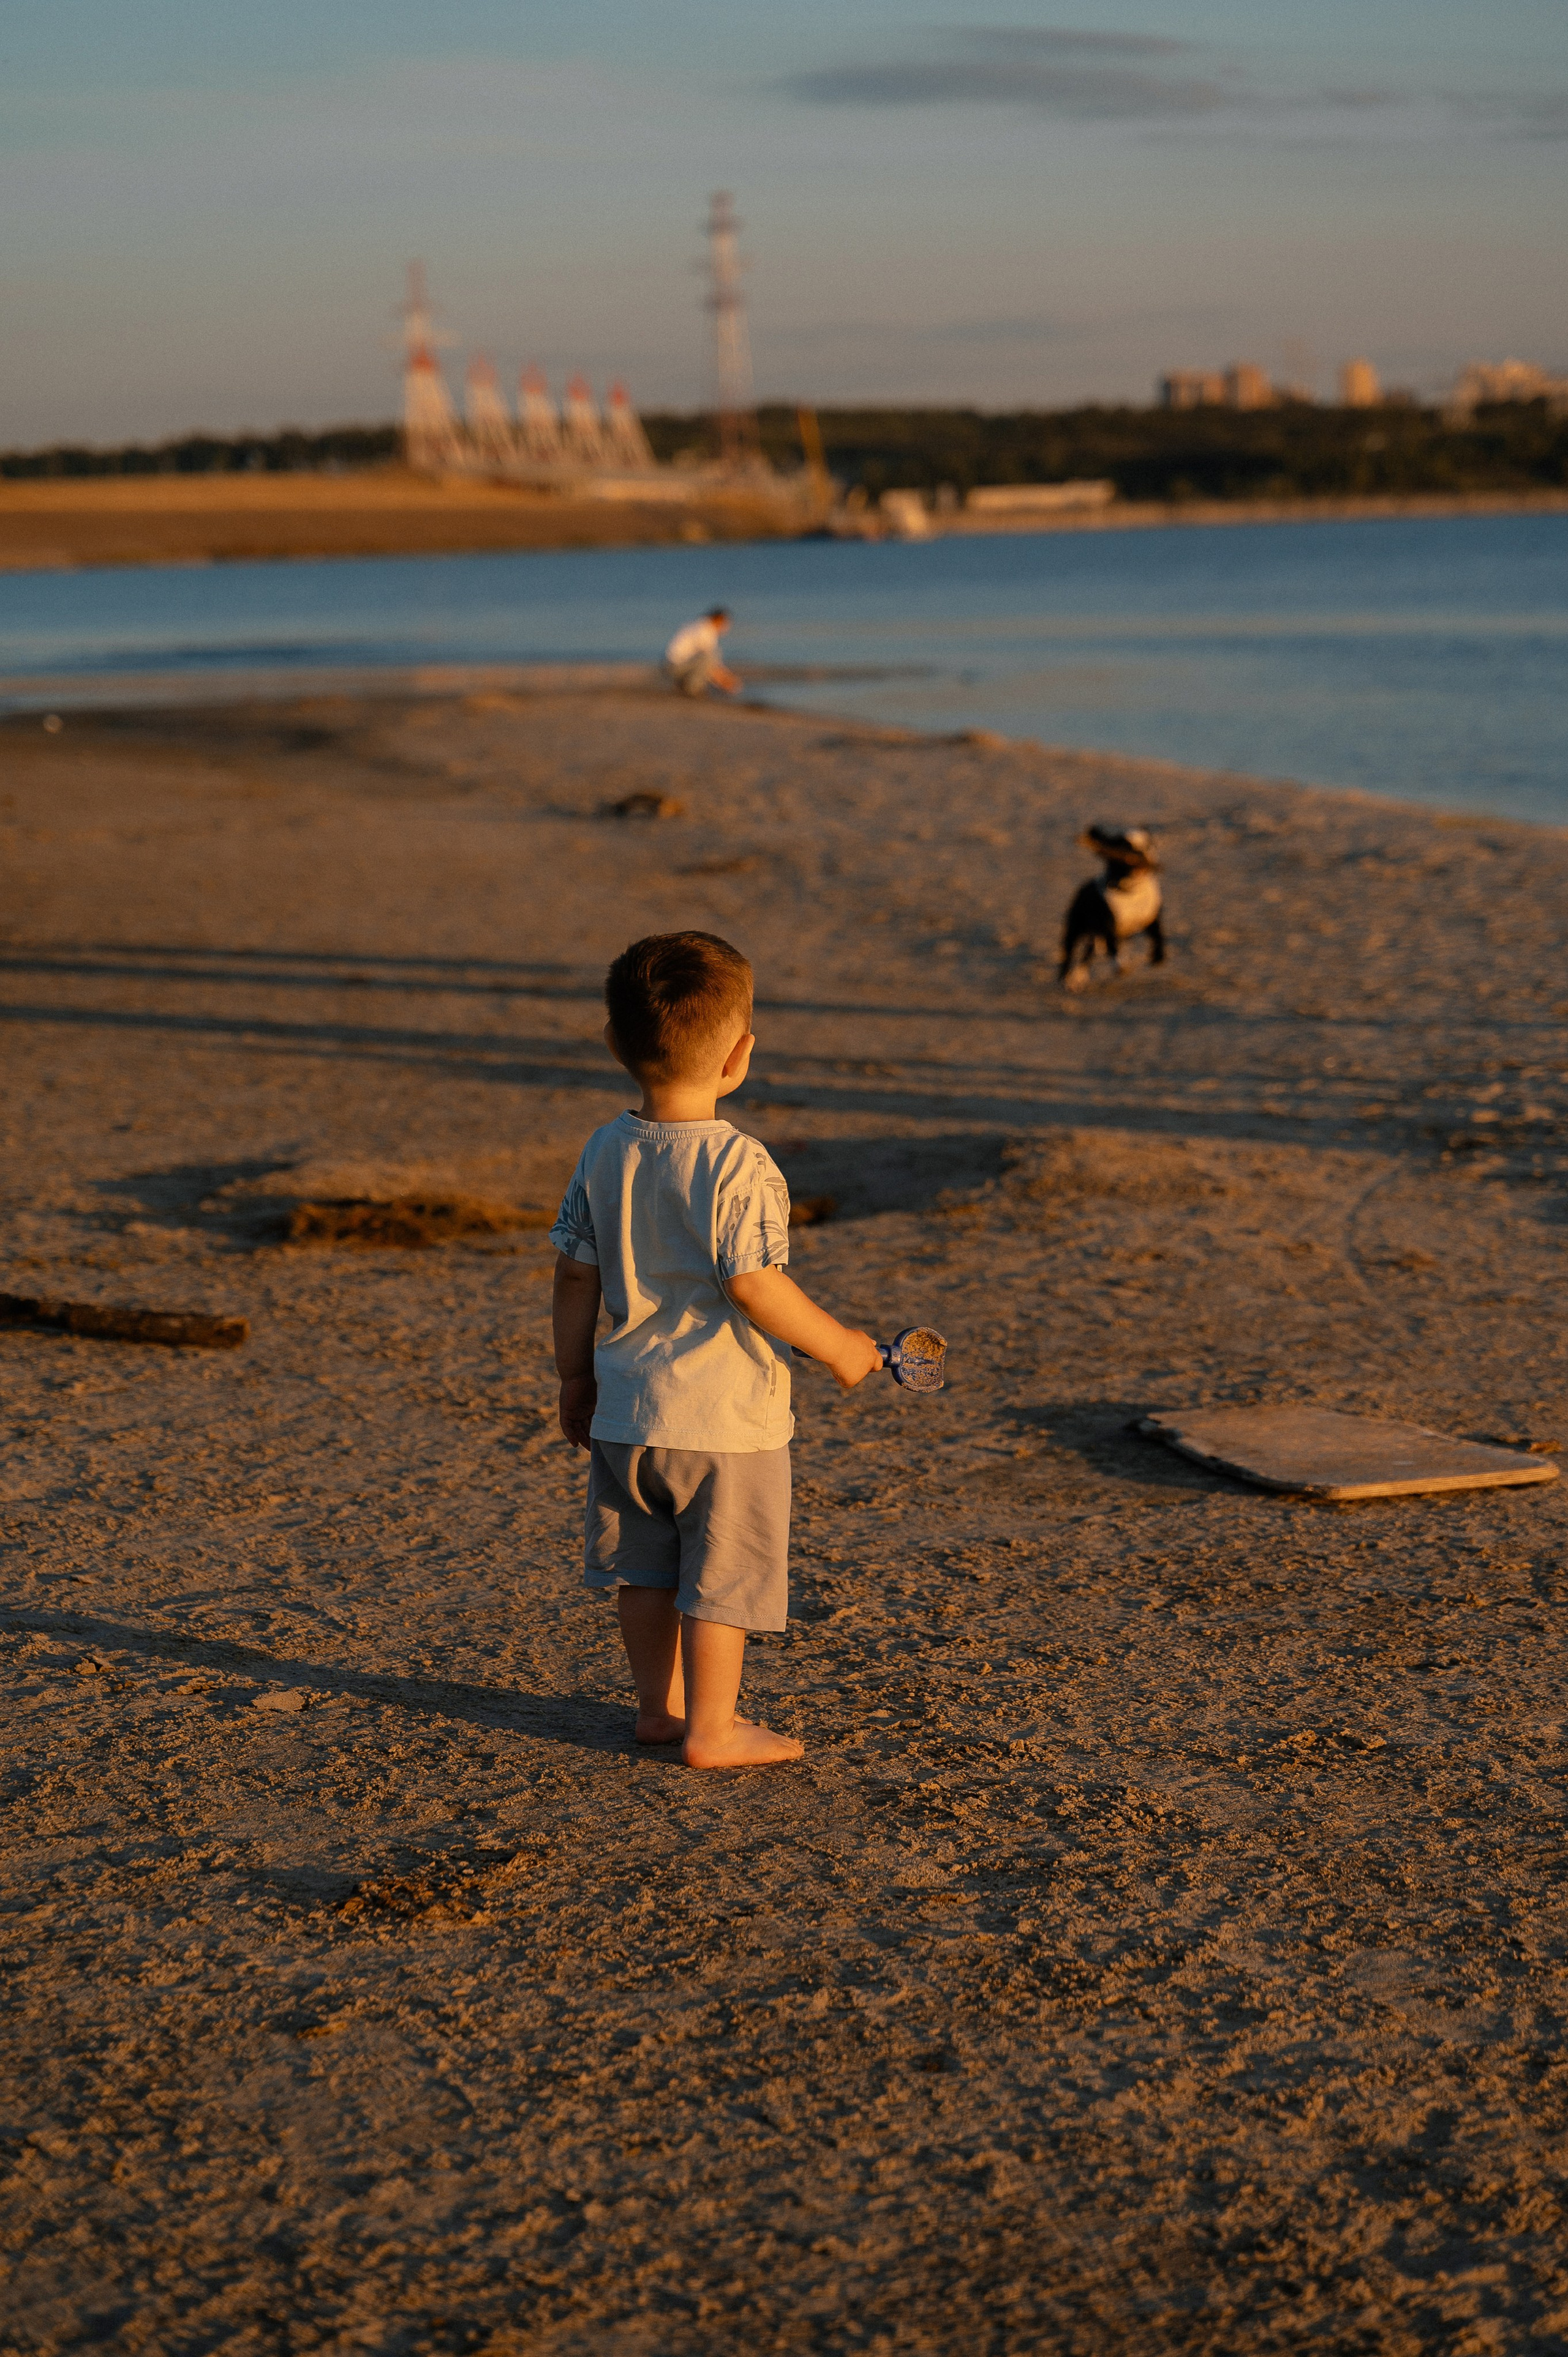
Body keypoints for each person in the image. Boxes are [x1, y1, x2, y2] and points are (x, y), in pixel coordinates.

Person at [550, 930, 883, 1769]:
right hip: (726, 1421)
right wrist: (842, 1346)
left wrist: (574, 1378)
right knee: (722, 1578)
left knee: (646, 1571)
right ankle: (712, 1729)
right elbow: (755, 1285)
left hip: (628, 1409)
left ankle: (657, 1712)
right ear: (741, 1054)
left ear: (613, 1044)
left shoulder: (603, 1150)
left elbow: (573, 1278)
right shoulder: (740, 1163)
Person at [663, 606, 739, 698]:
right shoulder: (705, 630)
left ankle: (686, 685)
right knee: (707, 658)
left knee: (708, 658)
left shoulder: (701, 625)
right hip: (674, 667)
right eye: (726, 623)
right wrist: (727, 683)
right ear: (718, 619)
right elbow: (711, 665)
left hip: (674, 665)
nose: (727, 627)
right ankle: (693, 688)